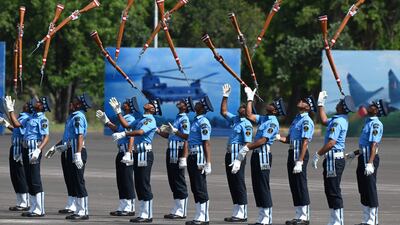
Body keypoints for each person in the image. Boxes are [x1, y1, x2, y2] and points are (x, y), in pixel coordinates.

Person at [231, 87, 286, 225]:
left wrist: (246, 148)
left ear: (275, 110)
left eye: (273, 104)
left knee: (262, 185)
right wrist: (250, 98)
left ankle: (267, 217)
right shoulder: (264, 118)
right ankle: (261, 217)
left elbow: (263, 140)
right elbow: (249, 115)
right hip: (256, 155)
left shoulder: (273, 122)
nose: (270, 104)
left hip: (263, 156)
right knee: (256, 186)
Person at [112, 99, 161, 223]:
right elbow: (127, 125)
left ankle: (147, 215)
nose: (147, 103)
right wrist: (118, 112)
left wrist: (124, 135)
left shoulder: (150, 120)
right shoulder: (141, 119)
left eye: (150, 104)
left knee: (144, 183)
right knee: (139, 184)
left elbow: (140, 132)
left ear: (152, 109)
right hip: (138, 153)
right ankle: (142, 213)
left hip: (145, 154)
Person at [312, 91, 356, 225]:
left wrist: (318, 154)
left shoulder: (339, 121)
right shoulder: (338, 119)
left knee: (334, 190)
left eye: (340, 103)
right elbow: (324, 121)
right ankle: (334, 220)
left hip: (334, 160)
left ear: (343, 107)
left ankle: (338, 221)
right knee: (329, 189)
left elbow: (332, 143)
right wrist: (320, 104)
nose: (337, 104)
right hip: (332, 159)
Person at [5, 96, 51, 217]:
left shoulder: (43, 119)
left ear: (42, 106)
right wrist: (10, 110)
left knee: (35, 179)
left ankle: (40, 209)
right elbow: (16, 124)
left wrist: (38, 150)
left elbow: (46, 137)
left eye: (39, 102)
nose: (37, 103)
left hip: (34, 150)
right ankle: (33, 207)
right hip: (25, 149)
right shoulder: (31, 117)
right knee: (29, 179)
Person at [96, 97, 139, 216]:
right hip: (121, 152)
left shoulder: (131, 119)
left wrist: (129, 153)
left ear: (129, 107)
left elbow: (131, 136)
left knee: (127, 180)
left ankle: (130, 207)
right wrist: (106, 121)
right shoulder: (124, 118)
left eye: (125, 103)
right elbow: (117, 129)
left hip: (126, 152)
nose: (122, 104)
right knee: (121, 180)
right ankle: (122, 205)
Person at [346, 100, 387, 225]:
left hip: (370, 158)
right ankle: (365, 219)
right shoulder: (367, 122)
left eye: (373, 106)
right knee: (362, 189)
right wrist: (355, 153)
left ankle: (373, 220)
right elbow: (365, 145)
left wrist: (370, 163)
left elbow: (374, 145)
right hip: (363, 157)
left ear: (377, 110)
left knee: (370, 188)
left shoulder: (376, 124)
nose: (370, 106)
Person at [277, 96, 316, 225]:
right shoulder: (297, 119)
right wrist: (278, 137)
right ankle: (298, 214)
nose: (300, 101)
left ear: (308, 107)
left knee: (300, 184)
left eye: (304, 101)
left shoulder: (306, 121)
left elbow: (305, 142)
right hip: (292, 152)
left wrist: (300, 161)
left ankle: (304, 216)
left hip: (300, 154)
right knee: (294, 185)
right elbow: (288, 139)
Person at [220, 84, 252, 222]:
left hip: (238, 155)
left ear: (247, 111)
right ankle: (236, 210)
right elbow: (223, 111)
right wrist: (225, 96)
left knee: (238, 182)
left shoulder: (247, 124)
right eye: (241, 106)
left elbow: (247, 144)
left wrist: (239, 159)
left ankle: (242, 212)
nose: (241, 108)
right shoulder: (235, 119)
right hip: (229, 154)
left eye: (244, 107)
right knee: (232, 183)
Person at [157, 97, 193, 220]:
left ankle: (181, 210)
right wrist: (157, 129)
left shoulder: (184, 120)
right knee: (172, 180)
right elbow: (168, 135)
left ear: (186, 106)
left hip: (178, 151)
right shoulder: (177, 117)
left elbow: (186, 137)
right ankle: (176, 208)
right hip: (171, 151)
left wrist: (184, 156)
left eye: (182, 102)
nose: (179, 102)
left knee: (179, 180)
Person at [184, 95, 213, 225]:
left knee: (200, 187)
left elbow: (206, 143)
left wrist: (208, 162)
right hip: (192, 155)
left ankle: (204, 217)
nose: (196, 104)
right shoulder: (195, 120)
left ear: (202, 108)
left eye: (199, 104)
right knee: (195, 187)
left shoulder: (203, 122)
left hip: (199, 157)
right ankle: (198, 215)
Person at [62, 93, 92, 220]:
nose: (71, 102)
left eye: (74, 100)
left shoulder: (78, 117)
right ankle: (78, 209)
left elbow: (80, 136)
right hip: (71, 151)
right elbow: (69, 136)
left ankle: (83, 211)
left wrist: (78, 154)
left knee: (79, 181)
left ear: (78, 104)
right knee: (73, 180)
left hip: (77, 151)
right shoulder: (72, 116)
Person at [1, 102, 31, 212]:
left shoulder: (27, 118)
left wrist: (10, 111)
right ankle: (20, 202)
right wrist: (5, 123)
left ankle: (25, 202)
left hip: (20, 149)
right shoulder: (22, 116)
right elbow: (16, 129)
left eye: (27, 105)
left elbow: (18, 127)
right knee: (15, 176)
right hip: (14, 148)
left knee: (21, 176)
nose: (24, 105)